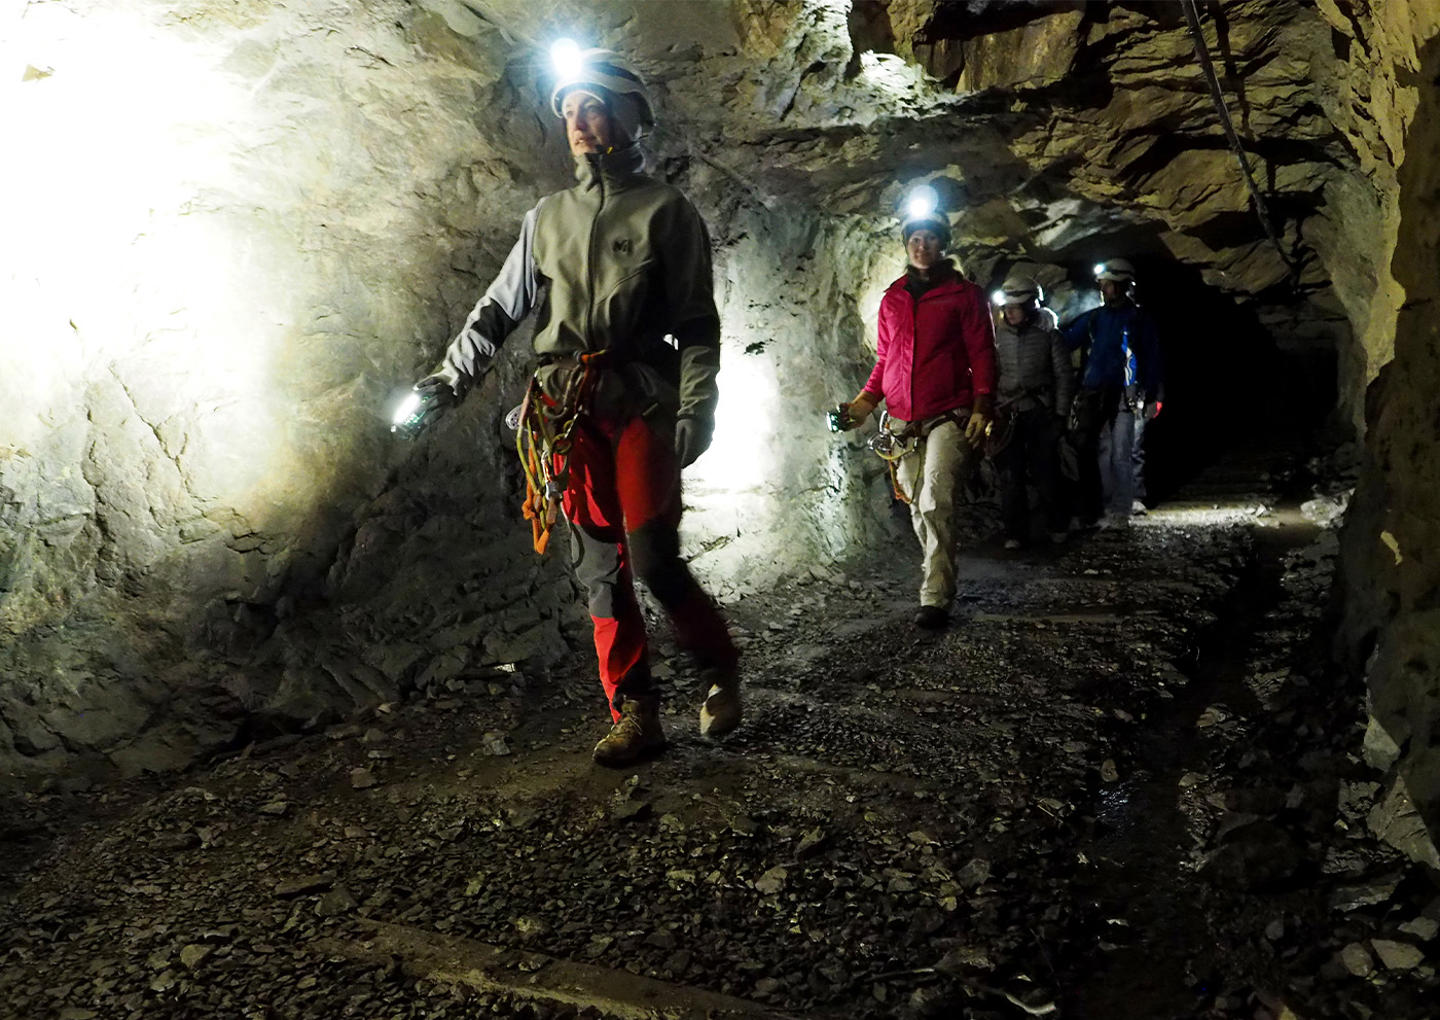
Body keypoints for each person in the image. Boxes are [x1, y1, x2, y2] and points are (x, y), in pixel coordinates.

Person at [410, 46, 740, 766]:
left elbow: (695, 323)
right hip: (564, 406)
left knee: (652, 556)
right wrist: (448, 381)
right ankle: (636, 712)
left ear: (630, 116)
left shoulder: (666, 212)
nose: (580, 123)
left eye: (593, 107)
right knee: (600, 567)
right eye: (569, 111)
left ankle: (717, 668)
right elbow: (499, 310)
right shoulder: (547, 218)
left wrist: (698, 406)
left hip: (639, 398)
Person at [835, 186, 996, 629]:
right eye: (914, 239)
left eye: (928, 238)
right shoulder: (893, 299)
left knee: (934, 499)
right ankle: (936, 570)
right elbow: (886, 360)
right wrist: (865, 403)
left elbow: (982, 352)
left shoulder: (965, 296)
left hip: (950, 413)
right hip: (904, 419)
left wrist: (983, 404)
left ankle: (936, 594)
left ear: (942, 243)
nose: (921, 246)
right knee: (913, 501)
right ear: (907, 245)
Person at [1061, 258, 1163, 528]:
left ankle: (1121, 510)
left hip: (1126, 392)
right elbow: (1066, 340)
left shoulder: (1139, 319)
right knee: (1096, 451)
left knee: (1121, 451)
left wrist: (1152, 393)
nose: (1104, 289)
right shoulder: (1095, 318)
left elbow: (1152, 358)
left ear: (1122, 286)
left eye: (1108, 284)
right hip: (1095, 391)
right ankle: (1099, 508)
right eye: (1103, 285)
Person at [990, 274, 1074, 548]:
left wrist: (1060, 414)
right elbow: (990, 372)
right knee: (1009, 476)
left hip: (1039, 412)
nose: (1009, 311)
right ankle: (1015, 532)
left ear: (1030, 306)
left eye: (1016, 306)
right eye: (1007, 306)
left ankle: (1057, 524)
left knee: (1045, 471)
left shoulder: (1049, 335)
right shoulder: (998, 335)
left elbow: (1063, 375)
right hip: (1008, 411)